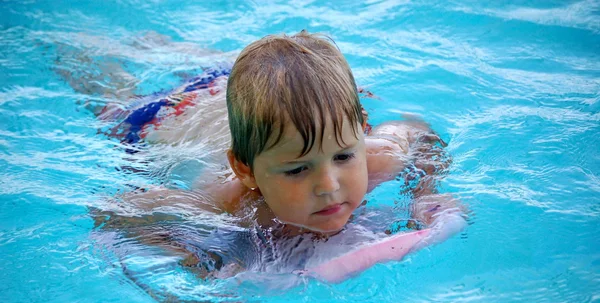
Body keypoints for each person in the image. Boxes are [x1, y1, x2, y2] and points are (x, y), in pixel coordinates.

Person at [88, 30, 466, 283]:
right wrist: (202, 263)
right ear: (246, 170)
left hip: (246, 98)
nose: (328, 186)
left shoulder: (378, 156)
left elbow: (419, 132)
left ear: (361, 132)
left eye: (343, 157)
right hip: (166, 116)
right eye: (298, 169)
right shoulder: (227, 202)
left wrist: (424, 194)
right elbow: (117, 211)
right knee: (107, 88)